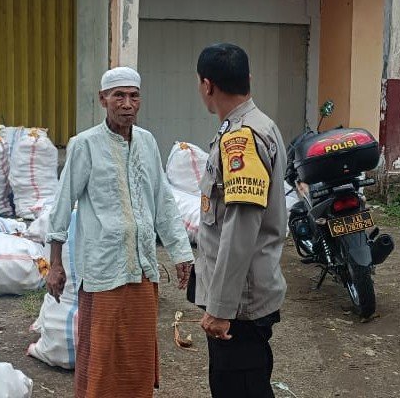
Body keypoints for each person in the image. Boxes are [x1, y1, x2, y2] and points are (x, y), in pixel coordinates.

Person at [45, 66, 194, 398]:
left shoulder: (147, 142)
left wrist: (181, 253)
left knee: (137, 354)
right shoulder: (85, 144)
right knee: (100, 354)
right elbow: (62, 203)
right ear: (103, 100)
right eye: (119, 96)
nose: (127, 104)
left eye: (134, 96)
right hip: (102, 268)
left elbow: (163, 201)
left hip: (142, 269)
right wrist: (55, 264)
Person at [194, 43, 287, 398]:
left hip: (240, 306)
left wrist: (220, 308)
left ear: (207, 85)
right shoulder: (255, 125)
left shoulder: (242, 138)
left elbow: (241, 228)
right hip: (243, 297)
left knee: (239, 388)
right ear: (248, 79)